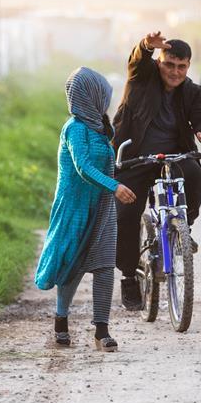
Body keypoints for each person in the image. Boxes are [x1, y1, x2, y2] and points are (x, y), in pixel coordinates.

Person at [113, 31, 201, 310]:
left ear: (188, 67)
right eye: (169, 65)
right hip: (136, 157)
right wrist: (146, 46)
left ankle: (182, 230)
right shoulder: (143, 78)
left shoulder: (191, 91)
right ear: (159, 63)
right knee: (125, 214)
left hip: (173, 156)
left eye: (181, 66)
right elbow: (137, 61)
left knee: (195, 177)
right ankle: (127, 276)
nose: (175, 72)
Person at [34, 67, 137, 351]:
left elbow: (107, 162)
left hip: (102, 206)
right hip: (76, 206)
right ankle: (61, 321)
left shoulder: (102, 128)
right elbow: (83, 168)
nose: (106, 102)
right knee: (72, 266)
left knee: (105, 266)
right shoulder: (74, 129)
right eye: (102, 96)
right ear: (87, 97)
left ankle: (101, 330)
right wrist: (114, 186)